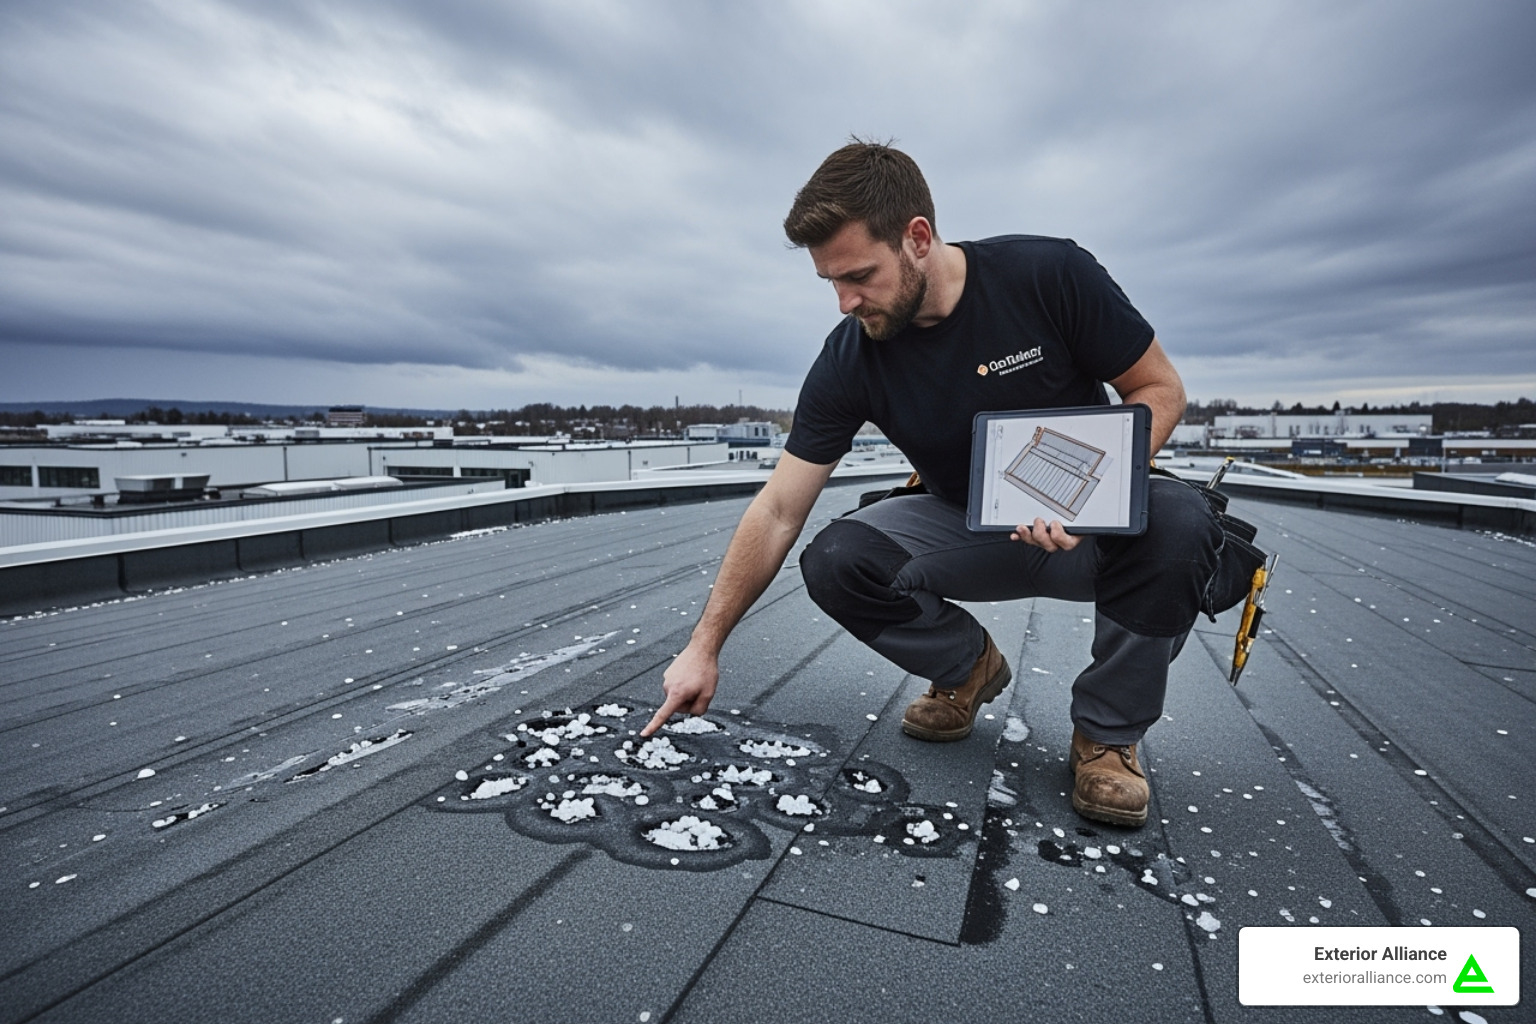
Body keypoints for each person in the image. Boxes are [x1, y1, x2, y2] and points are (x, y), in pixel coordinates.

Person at [642, 140, 1220, 828]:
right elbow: (776, 510)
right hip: (969, 530)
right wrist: (704, 646)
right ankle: (967, 667)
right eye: (830, 281)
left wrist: (1089, 498)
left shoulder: (1048, 275)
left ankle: (1106, 737)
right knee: (836, 559)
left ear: (918, 237)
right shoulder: (854, 354)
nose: (844, 301)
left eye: (858, 274)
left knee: (1183, 523)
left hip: (1092, 532)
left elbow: (1159, 387)